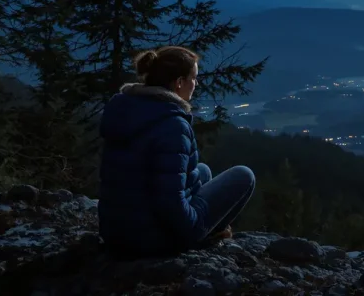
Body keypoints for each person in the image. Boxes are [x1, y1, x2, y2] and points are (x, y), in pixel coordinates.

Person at [98, 45, 256, 257]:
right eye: (193, 78)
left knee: (201, 170)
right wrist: (193, 229)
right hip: (149, 241)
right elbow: (169, 202)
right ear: (179, 82)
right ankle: (207, 237)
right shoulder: (172, 125)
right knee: (244, 175)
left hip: (115, 232)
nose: (196, 84)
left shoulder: (127, 108)